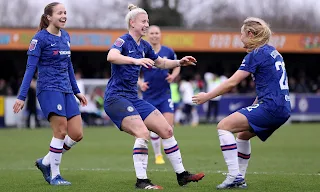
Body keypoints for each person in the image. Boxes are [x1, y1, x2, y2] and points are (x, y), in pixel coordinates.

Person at [105, 4, 205, 190]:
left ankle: (182, 175)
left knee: (167, 130)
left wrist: (179, 62)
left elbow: (160, 62)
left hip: (133, 98)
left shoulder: (144, 45)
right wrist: (136, 60)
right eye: (144, 21)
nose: (147, 25)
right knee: (143, 133)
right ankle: (141, 181)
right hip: (115, 98)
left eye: (148, 22)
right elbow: (111, 56)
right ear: (132, 23)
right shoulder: (123, 41)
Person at [192, 17, 291, 189]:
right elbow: (271, 82)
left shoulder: (256, 54)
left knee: (223, 126)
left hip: (271, 106)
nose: (240, 38)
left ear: (250, 34)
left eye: (242, 34)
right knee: (243, 136)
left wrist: (207, 96)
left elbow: (232, 82)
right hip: (282, 107)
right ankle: (240, 178)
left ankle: (234, 176)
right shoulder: (273, 51)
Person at [13, 2, 87, 186]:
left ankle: (45, 162)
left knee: (77, 134)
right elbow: (30, 69)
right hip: (48, 89)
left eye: (65, 13)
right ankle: (55, 175)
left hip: (67, 90)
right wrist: (21, 96)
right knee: (60, 131)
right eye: (59, 13)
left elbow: (69, 66)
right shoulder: (40, 39)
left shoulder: (66, 36)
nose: (64, 16)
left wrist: (77, 91)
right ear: (49, 17)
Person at [138, 25, 180, 165]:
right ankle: (158, 155)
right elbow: (133, 69)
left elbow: (177, 66)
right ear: (147, 35)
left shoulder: (168, 51)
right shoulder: (143, 51)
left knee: (169, 127)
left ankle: (173, 157)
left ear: (160, 35)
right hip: (148, 96)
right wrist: (140, 83)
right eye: (152, 33)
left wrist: (173, 76)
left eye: (157, 33)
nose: (155, 35)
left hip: (165, 94)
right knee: (152, 129)